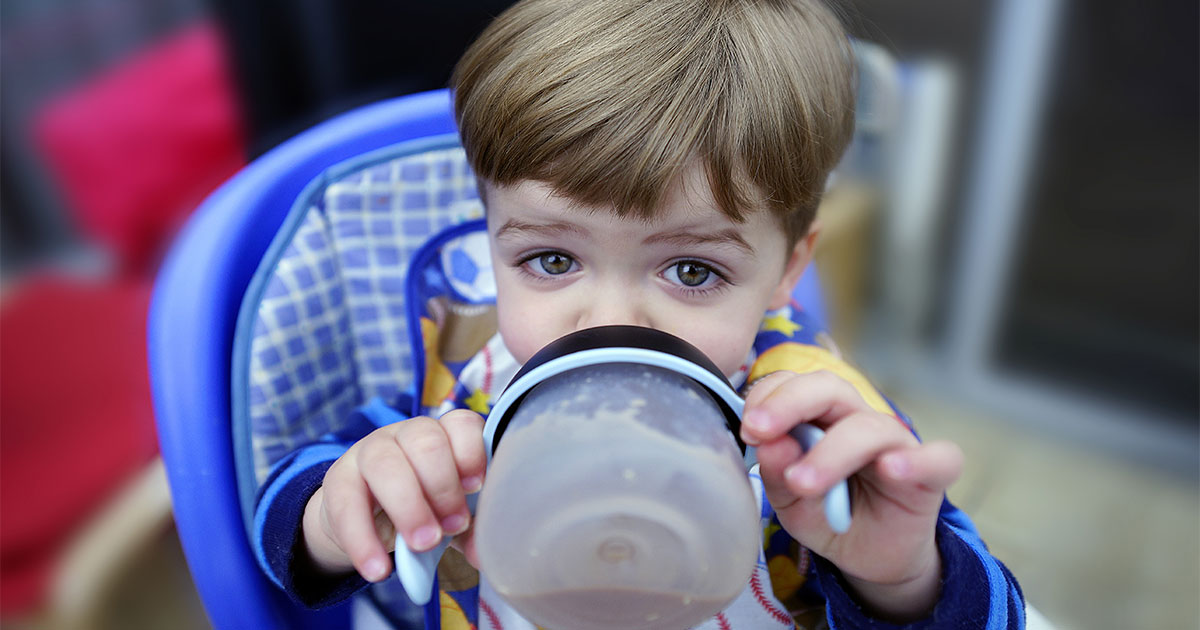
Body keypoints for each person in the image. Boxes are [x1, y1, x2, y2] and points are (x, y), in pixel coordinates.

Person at [253, 0, 1026, 627]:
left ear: (790, 268)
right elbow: (283, 512)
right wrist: (338, 512)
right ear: (491, 247)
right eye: (551, 260)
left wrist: (903, 577)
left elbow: (992, 615)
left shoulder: (817, 435)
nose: (606, 318)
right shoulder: (465, 392)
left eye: (693, 270)